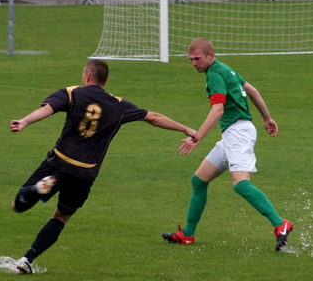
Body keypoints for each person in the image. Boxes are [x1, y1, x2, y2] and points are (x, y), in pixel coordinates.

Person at [10, 59, 195, 273]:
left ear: (87, 76)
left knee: (18, 205)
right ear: (104, 81)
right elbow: (153, 117)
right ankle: (27, 260)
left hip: (59, 163)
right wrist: (186, 129)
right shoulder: (118, 105)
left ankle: (37, 189)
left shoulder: (73, 93)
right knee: (61, 217)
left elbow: (49, 109)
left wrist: (24, 121)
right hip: (85, 173)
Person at [161, 38, 294, 252]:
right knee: (199, 180)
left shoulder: (214, 74)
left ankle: (281, 224)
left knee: (241, 184)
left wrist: (197, 137)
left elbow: (218, 110)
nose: (194, 63)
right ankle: (187, 234)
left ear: (210, 56)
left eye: (198, 59)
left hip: (237, 134)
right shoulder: (224, 68)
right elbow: (253, 90)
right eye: (191, 60)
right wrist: (267, 118)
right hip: (234, 133)